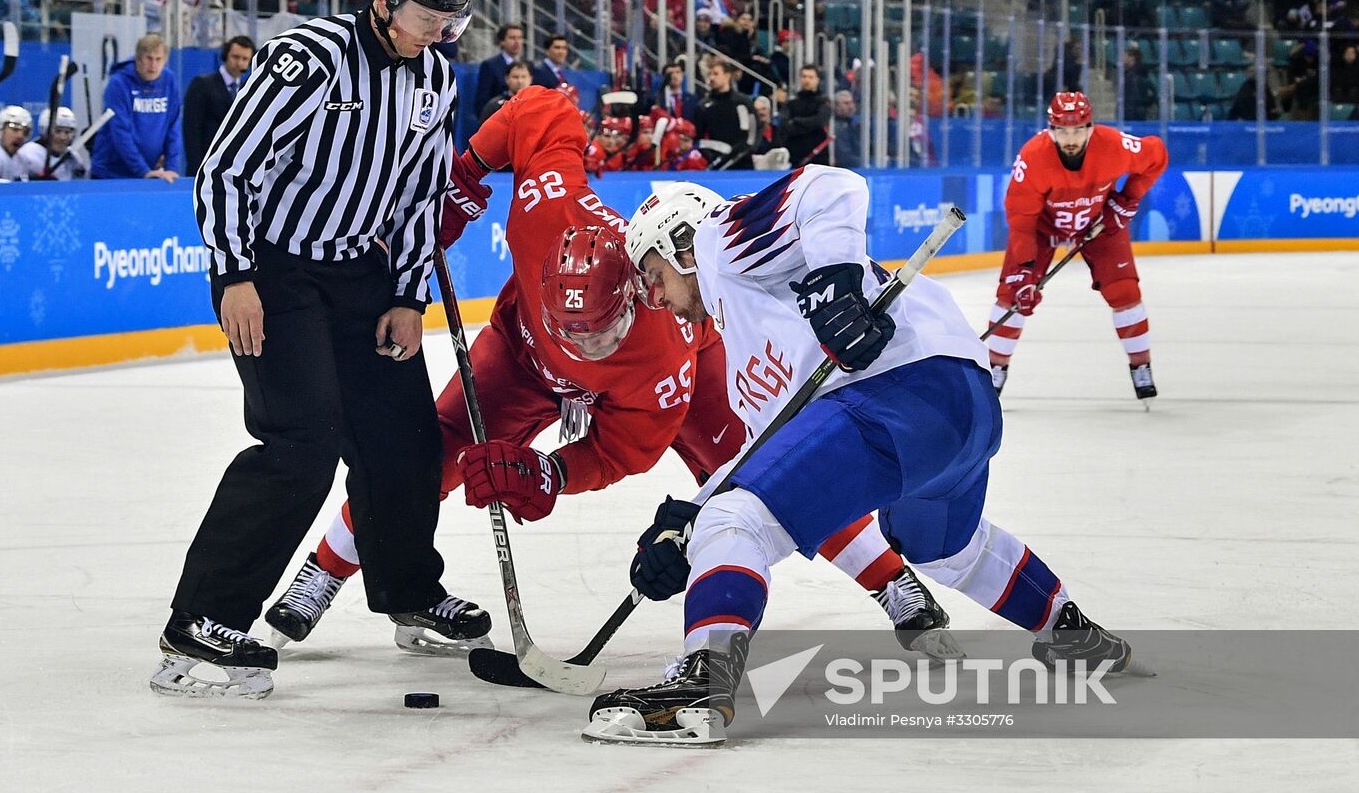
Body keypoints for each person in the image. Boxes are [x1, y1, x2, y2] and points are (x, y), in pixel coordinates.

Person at [270, 87, 949, 654]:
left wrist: (553, 472)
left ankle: (890, 579)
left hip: (671, 378)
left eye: (599, 334)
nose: (586, 347)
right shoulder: (545, 209)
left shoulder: (662, 344)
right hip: (522, 352)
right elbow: (540, 108)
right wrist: (467, 172)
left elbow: (628, 447)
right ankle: (322, 573)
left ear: (634, 297)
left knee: (764, 469)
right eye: (575, 331)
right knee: (431, 449)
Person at [584, 171, 1141, 744]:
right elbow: (769, 455)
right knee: (942, 547)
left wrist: (835, 286)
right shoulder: (746, 339)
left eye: (653, 274)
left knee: (736, 524)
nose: (654, 298)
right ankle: (1069, 630)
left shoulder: (718, 243)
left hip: (896, 394)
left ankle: (698, 686)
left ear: (679, 243)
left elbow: (829, 187)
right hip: (962, 409)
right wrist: (686, 522)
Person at [151, 0, 481, 700]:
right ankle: (202, 620)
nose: (444, 30)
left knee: (403, 437)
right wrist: (234, 273)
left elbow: (418, 198)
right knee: (302, 440)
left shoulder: (436, 78)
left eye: (453, 18)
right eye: (432, 14)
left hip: (362, 276)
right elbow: (230, 164)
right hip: (274, 270)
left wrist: (406, 295)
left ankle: (409, 590)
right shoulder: (312, 58)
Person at [984, 92, 1168, 401]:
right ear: (1051, 130)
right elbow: (1022, 221)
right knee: (1011, 295)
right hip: (1042, 228)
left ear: (1091, 128)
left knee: (1124, 292)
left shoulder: (1114, 146)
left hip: (1099, 222)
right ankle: (995, 371)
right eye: (1063, 130)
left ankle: (1140, 366)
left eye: (1078, 129)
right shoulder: (1033, 157)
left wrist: (1128, 198)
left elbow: (1157, 154)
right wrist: (1025, 272)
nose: (1071, 138)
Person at [90, 34, 182, 181]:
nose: (153, 65)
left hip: (149, 172)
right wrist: (142, 170)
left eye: (158, 59)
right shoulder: (118, 83)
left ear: (165, 61)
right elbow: (120, 131)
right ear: (138, 59)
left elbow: (173, 127)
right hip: (111, 173)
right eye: (149, 58)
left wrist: (171, 169)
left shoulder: (169, 81)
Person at [182, 35, 254, 176]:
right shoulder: (202, 84)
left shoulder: (249, 89)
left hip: (235, 170)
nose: (239, 63)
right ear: (225, 55)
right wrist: (197, 169)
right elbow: (192, 130)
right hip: (206, 165)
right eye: (235, 57)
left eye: (245, 59)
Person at [693, 59, 756, 169]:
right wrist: (712, 158)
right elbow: (698, 138)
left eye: (716, 74)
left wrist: (739, 153)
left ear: (727, 76)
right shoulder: (703, 106)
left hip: (743, 164)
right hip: (716, 165)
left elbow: (752, 134)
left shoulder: (742, 102)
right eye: (710, 74)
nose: (711, 78)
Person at [15, 106, 90, 180]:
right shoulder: (27, 153)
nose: (63, 138)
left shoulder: (73, 157)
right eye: (57, 131)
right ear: (45, 132)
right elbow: (15, 183)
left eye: (67, 132)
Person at [782, 64, 830, 166]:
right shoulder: (791, 103)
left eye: (811, 77)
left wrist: (796, 120)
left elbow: (820, 121)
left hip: (818, 156)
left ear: (817, 80)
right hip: (795, 155)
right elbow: (785, 125)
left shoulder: (824, 101)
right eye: (804, 76)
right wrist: (809, 124)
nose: (807, 80)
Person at [474, 22, 524, 118]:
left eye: (520, 38)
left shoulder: (527, 65)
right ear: (502, 41)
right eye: (512, 38)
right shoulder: (490, 66)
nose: (517, 42)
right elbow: (482, 101)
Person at [832, 89, 860, 168]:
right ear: (836, 106)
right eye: (846, 103)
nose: (851, 106)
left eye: (852, 102)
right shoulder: (834, 126)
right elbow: (844, 155)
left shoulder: (856, 124)